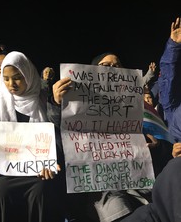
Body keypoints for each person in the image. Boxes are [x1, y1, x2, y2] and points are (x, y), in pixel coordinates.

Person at [49, 52, 152, 222]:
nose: (111, 69)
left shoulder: (135, 101)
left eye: (116, 65)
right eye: (105, 65)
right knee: (116, 206)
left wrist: (154, 145)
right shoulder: (76, 98)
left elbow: (153, 133)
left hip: (135, 177)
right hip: (99, 183)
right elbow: (61, 128)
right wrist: (56, 103)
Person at [0, 51, 65, 222]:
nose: (11, 84)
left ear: (29, 75)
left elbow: (55, 133)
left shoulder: (44, 98)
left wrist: (50, 161)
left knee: (41, 191)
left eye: (18, 77)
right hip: (2, 171)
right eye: (6, 78)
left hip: (38, 171)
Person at [119, 15, 181, 222]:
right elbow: (168, 79)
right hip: (151, 197)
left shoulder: (168, 111)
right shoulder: (168, 110)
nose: (146, 98)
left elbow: (167, 83)